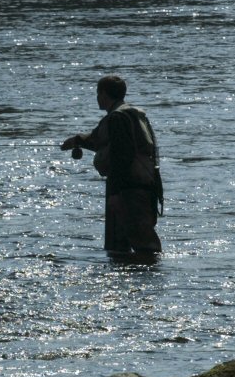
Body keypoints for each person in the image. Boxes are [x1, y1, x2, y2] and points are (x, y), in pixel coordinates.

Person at [60, 75, 163, 256]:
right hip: (145, 186)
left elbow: (121, 157)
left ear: (103, 94)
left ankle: (149, 278)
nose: (97, 97)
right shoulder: (131, 114)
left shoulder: (117, 118)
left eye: (98, 93)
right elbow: (99, 141)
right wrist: (76, 141)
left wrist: (116, 194)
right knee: (126, 249)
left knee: (144, 246)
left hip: (129, 190)